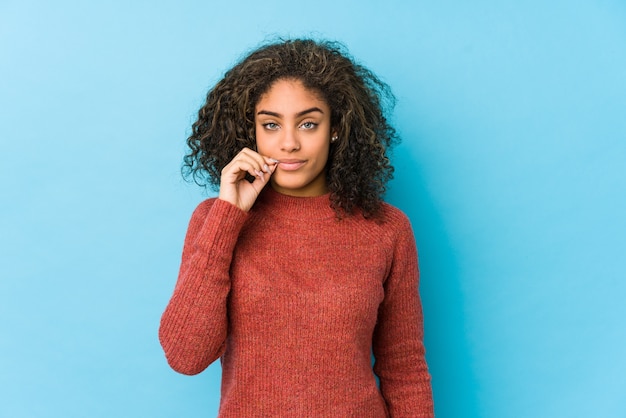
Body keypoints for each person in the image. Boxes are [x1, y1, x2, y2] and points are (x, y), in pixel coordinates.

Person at [159, 38, 434, 417]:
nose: (288, 143)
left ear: (335, 129)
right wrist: (228, 217)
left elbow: (404, 369)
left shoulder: (386, 229)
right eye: (271, 124)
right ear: (251, 131)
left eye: (308, 123)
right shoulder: (215, 220)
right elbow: (185, 355)